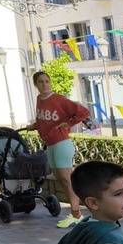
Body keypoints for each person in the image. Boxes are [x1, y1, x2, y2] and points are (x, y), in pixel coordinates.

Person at [25, 72, 92, 228]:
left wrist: (68, 124)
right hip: (50, 144)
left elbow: (83, 112)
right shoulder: (39, 100)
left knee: (67, 180)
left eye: (47, 81)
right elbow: (46, 119)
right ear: (36, 84)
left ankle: (76, 214)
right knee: (62, 180)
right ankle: (75, 214)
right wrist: (35, 125)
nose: (45, 84)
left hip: (61, 143)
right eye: (41, 82)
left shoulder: (58, 99)